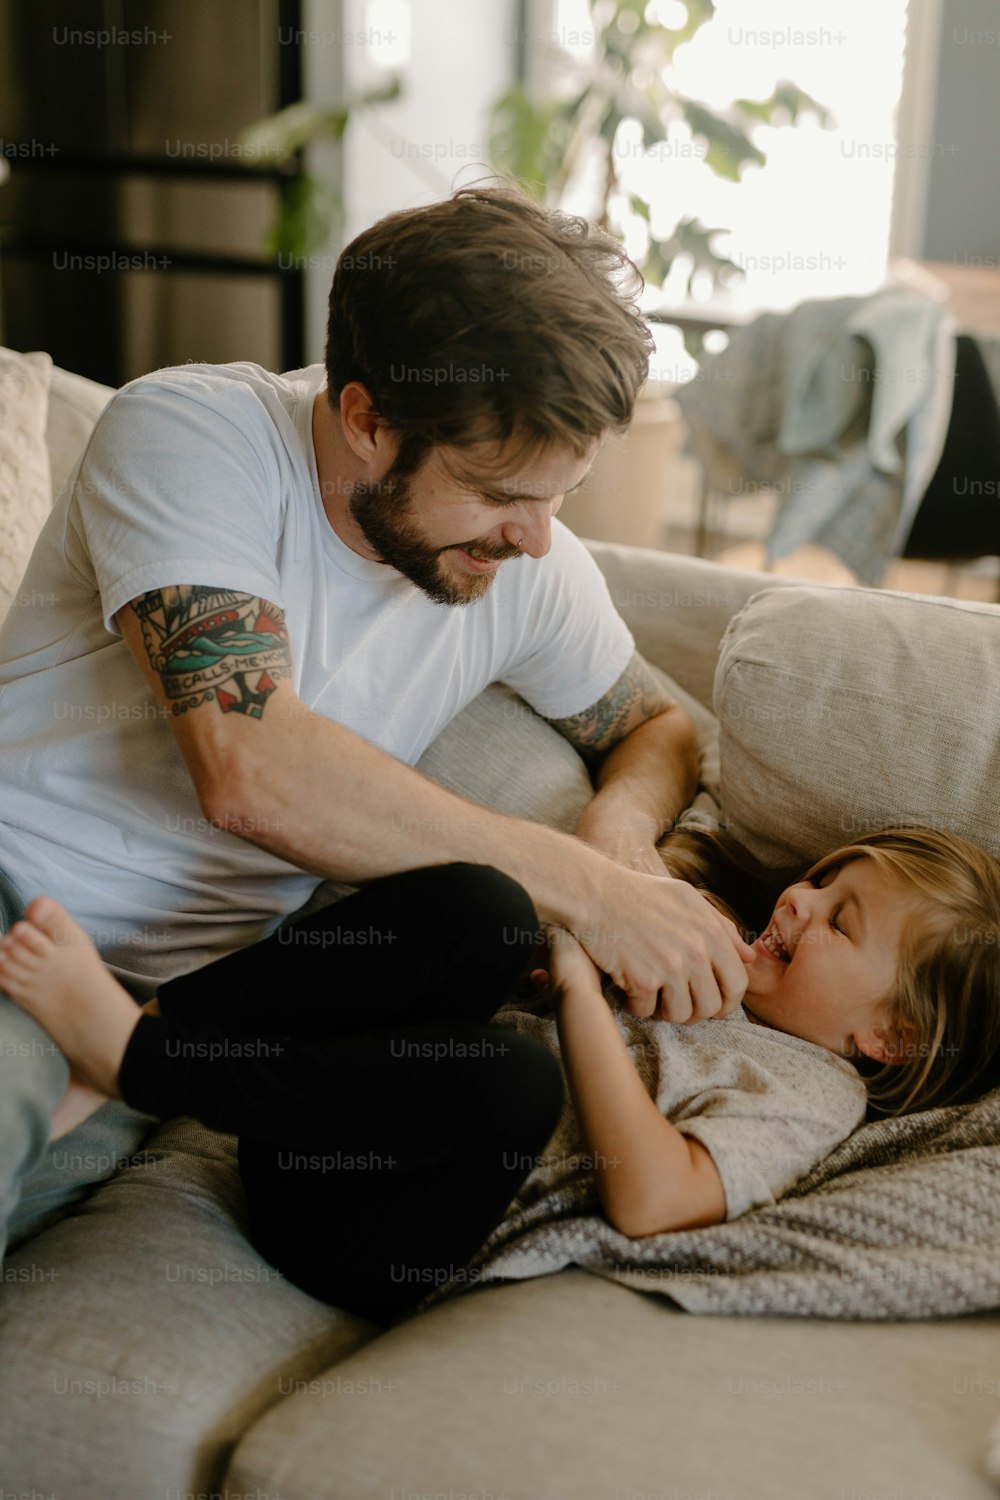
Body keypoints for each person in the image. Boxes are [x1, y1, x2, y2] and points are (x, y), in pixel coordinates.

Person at [0, 182, 755, 1257]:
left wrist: (621, 841)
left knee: (481, 941)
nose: (535, 540)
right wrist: (589, 893)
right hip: (20, 909)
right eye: (499, 491)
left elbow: (658, 727)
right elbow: (248, 763)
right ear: (365, 420)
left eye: (561, 496)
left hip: (207, 1009)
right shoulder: (194, 433)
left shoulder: (529, 569)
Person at [1, 824, 997, 1325]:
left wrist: (575, 993)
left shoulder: (816, 1091)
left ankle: (142, 1062)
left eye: (839, 923)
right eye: (821, 879)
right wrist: (561, 947)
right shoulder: (716, 961)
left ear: (891, 1039)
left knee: (514, 1081)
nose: (799, 901)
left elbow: (655, 1201)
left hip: (375, 1236)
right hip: (332, 1110)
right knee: (486, 906)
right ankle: (156, 1020)